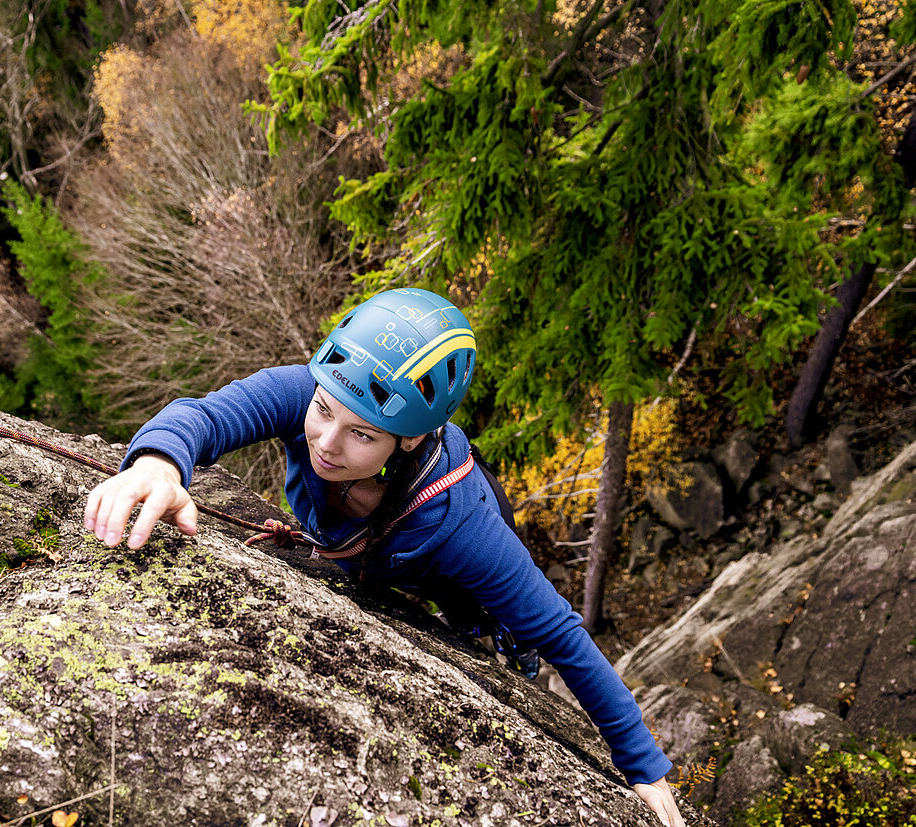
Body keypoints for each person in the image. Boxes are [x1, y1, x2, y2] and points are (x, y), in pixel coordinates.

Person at [83, 288, 685, 826]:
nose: (325, 442)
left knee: (504, 631)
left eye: (362, 434)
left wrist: (643, 765)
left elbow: (560, 633)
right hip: (373, 550)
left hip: (458, 578)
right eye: (323, 412)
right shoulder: (318, 390)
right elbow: (205, 415)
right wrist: (158, 465)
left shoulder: (464, 529)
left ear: (410, 439)